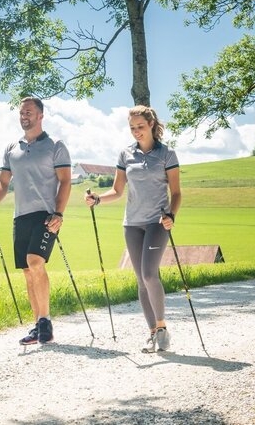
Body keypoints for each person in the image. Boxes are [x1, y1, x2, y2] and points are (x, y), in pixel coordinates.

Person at [86, 105, 181, 353]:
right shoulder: (125, 154)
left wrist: (171, 214)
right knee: (140, 279)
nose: (136, 132)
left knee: (150, 274)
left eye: (140, 127)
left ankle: (162, 329)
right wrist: (98, 199)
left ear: (151, 124)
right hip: (132, 223)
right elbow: (117, 191)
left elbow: (177, 192)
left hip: (158, 222)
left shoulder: (166, 155)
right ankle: (152, 333)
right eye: (132, 128)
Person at [0, 97, 72, 345]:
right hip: (20, 216)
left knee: (35, 262)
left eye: (29, 112)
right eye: (22, 112)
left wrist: (59, 213)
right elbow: (2, 182)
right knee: (27, 271)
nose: (24, 116)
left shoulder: (55, 145)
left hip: (46, 216)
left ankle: (45, 321)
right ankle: (38, 326)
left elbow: (65, 181)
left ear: (41, 115)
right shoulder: (13, 147)